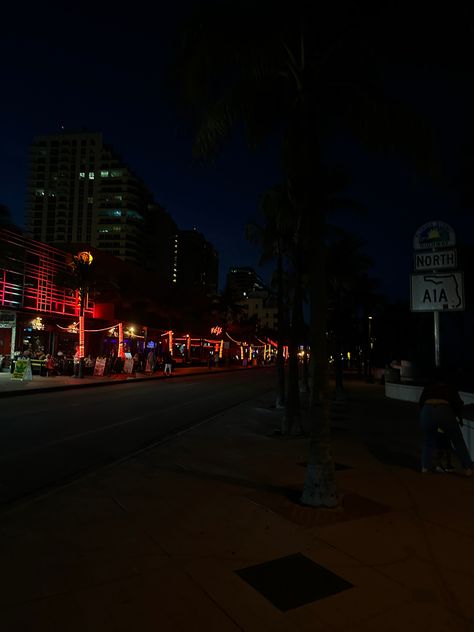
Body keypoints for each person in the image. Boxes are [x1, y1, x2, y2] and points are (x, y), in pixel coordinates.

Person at [419, 368, 473, 476]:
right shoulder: (450, 388)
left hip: (427, 410)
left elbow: (421, 402)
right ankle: (467, 468)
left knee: (428, 441)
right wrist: (459, 418)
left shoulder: (428, 388)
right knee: (457, 440)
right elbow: (458, 404)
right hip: (444, 410)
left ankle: (425, 467)